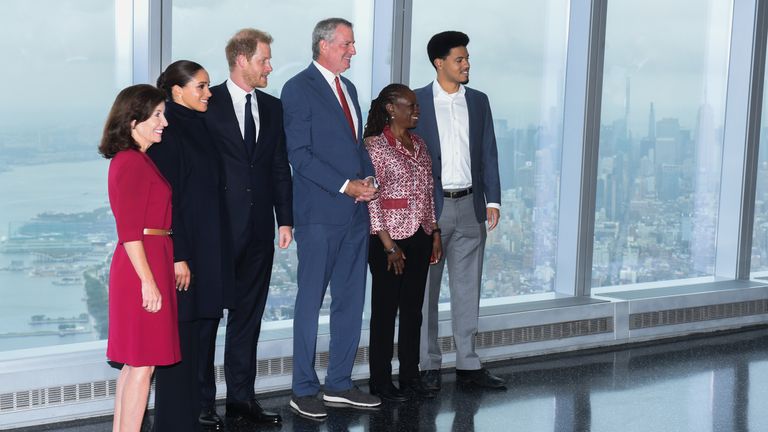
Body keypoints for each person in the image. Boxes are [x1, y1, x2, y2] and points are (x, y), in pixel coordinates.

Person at [281, 17, 381, 419]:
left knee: (351, 301)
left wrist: (367, 177)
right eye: (347, 44)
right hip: (320, 215)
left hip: (355, 215)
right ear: (324, 45)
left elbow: (355, 146)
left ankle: (339, 383)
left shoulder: (350, 89)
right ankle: (303, 388)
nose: (352, 50)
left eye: (352, 44)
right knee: (310, 303)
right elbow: (299, 155)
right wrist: (346, 186)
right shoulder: (297, 89)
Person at [203, 28, 292, 427]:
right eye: (263, 60)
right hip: (215, 232)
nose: (269, 67)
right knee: (206, 321)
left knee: (248, 320)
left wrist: (285, 219)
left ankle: (242, 400)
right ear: (241, 60)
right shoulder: (208, 103)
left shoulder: (272, 108)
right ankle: (202, 404)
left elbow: (278, 167)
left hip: (259, 231)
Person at [414, 31, 506, 390]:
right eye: (459, 59)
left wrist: (492, 200)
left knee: (469, 290)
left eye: (467, 59)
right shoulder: (417, 102)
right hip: (430, 211)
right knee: (426, 294)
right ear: (440, 63)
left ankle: (468, 365)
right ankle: (428, 367)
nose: (467, 64)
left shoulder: (479, 102)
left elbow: (489, 151)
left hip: (470, 206)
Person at [148, 60, 235, 431]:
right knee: (181, 344)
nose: (209, 93)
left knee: (201, 338)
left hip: (208, 250)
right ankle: (175, 422)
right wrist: (179, 254)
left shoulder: (201, 126)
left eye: (207, 86)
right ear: (176, 91)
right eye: (200, 86)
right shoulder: (167, 134)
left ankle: (192, 418)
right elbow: (168, 201)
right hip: (186, 254)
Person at [98, 84, 179, 432]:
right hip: (142, 266)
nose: (164, 122)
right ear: (133, 120)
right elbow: (129, 231)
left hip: (147, 262)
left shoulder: (135, 160)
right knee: (142, 365)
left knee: (135, 364)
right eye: (157, 115)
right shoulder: (130, 162)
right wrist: (148, 281)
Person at [363, 84, 442, 402]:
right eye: (410, 105)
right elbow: (371, 199)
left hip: (420, 237)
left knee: (413, 311)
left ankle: (410, 377)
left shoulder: (421, 144)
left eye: (417, 105)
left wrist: (434, 231)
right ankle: (380, 381)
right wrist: (388, 245)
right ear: (391, 108)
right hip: (389, 242)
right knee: (384, 313)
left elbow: (427, 192)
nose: (416, 110)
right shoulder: (374, 146)